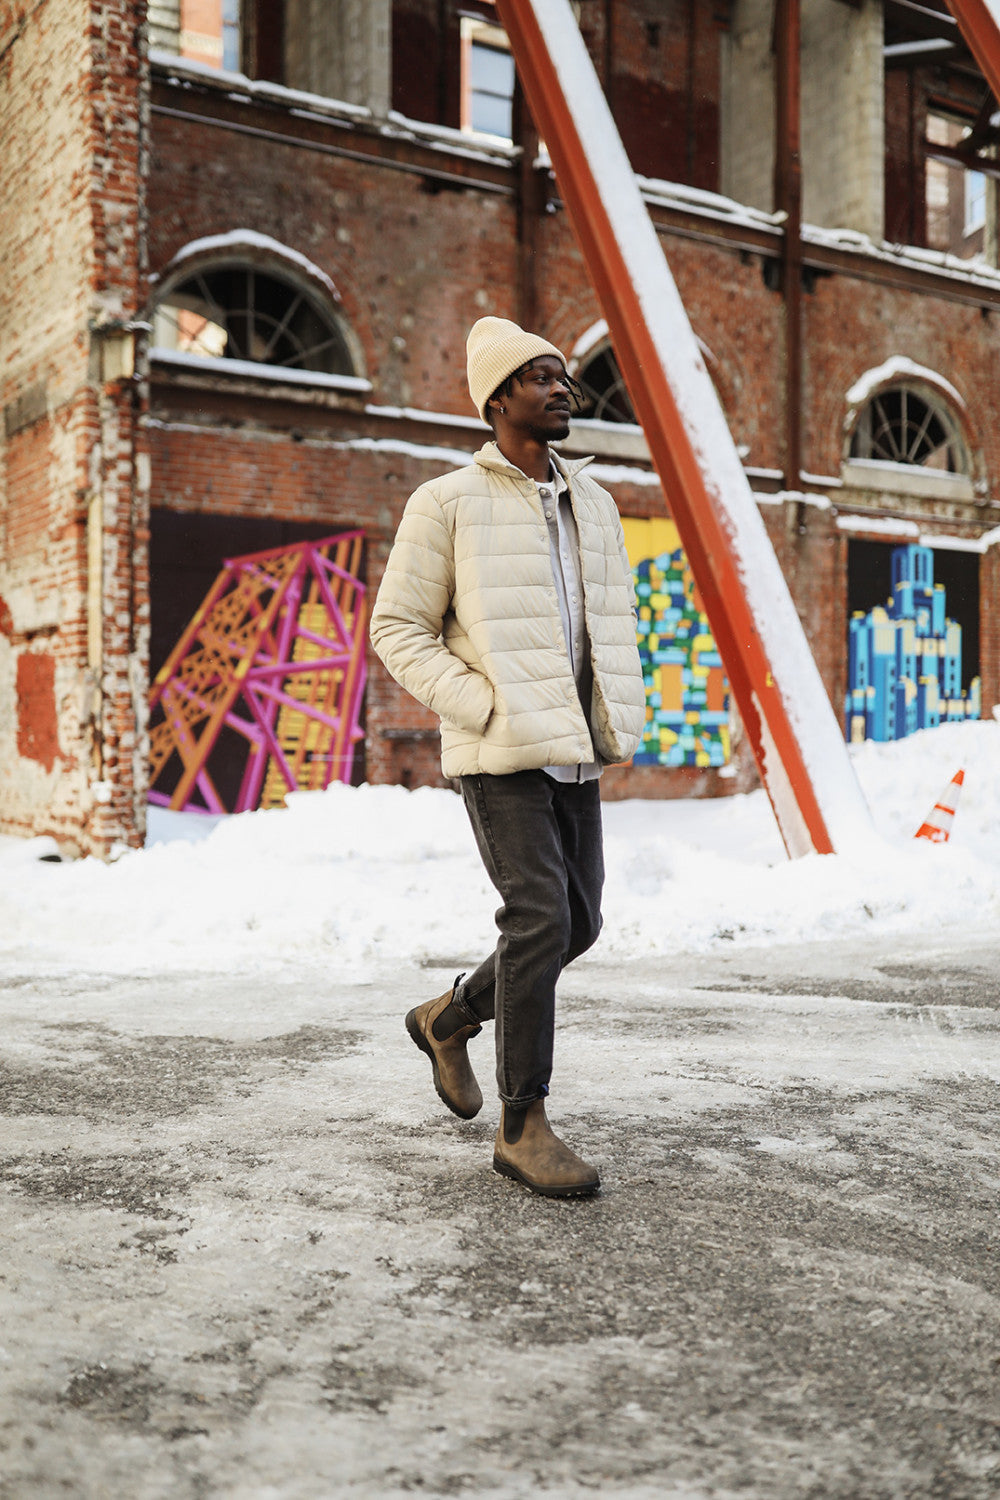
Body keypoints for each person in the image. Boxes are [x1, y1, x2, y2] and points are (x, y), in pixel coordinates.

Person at [370, 316, 645, 1198]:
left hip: (573, 750)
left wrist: (613, 714)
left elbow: (607, 625)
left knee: (580, 923)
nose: (564, 387)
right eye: (540, 376)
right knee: (539, 920)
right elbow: (397, 629)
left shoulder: (593, 502)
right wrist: (482, 703)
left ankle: (447, 1019)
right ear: (497, 399)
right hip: (498, 752)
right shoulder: (446, 502)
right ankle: (523, 1125)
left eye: (564, 375)